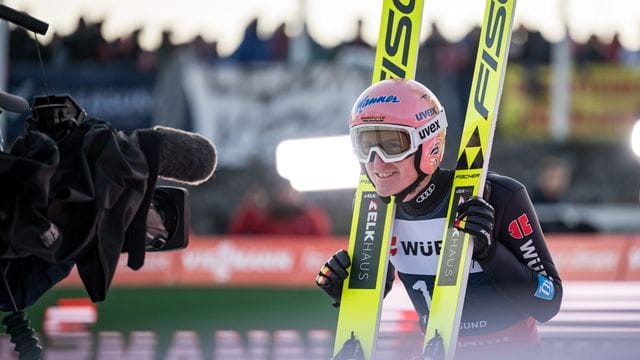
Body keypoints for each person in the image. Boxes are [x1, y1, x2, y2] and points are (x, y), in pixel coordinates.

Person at [315, 79, 562, 359]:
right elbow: (378, 286)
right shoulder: (376, 208)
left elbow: (549, 301)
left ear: (428, 145)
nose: (377, 162)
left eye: (392, 145)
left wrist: (490, 253)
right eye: (365, 145)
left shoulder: (497, 196)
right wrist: (345, 289)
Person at [228, 173, 331, 236]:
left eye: (289, 191)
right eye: (281, 191)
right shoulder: (261, 220)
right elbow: (236, 237)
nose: (285, 195)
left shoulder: (309, 218)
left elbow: (322, 242)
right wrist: (250, 205)